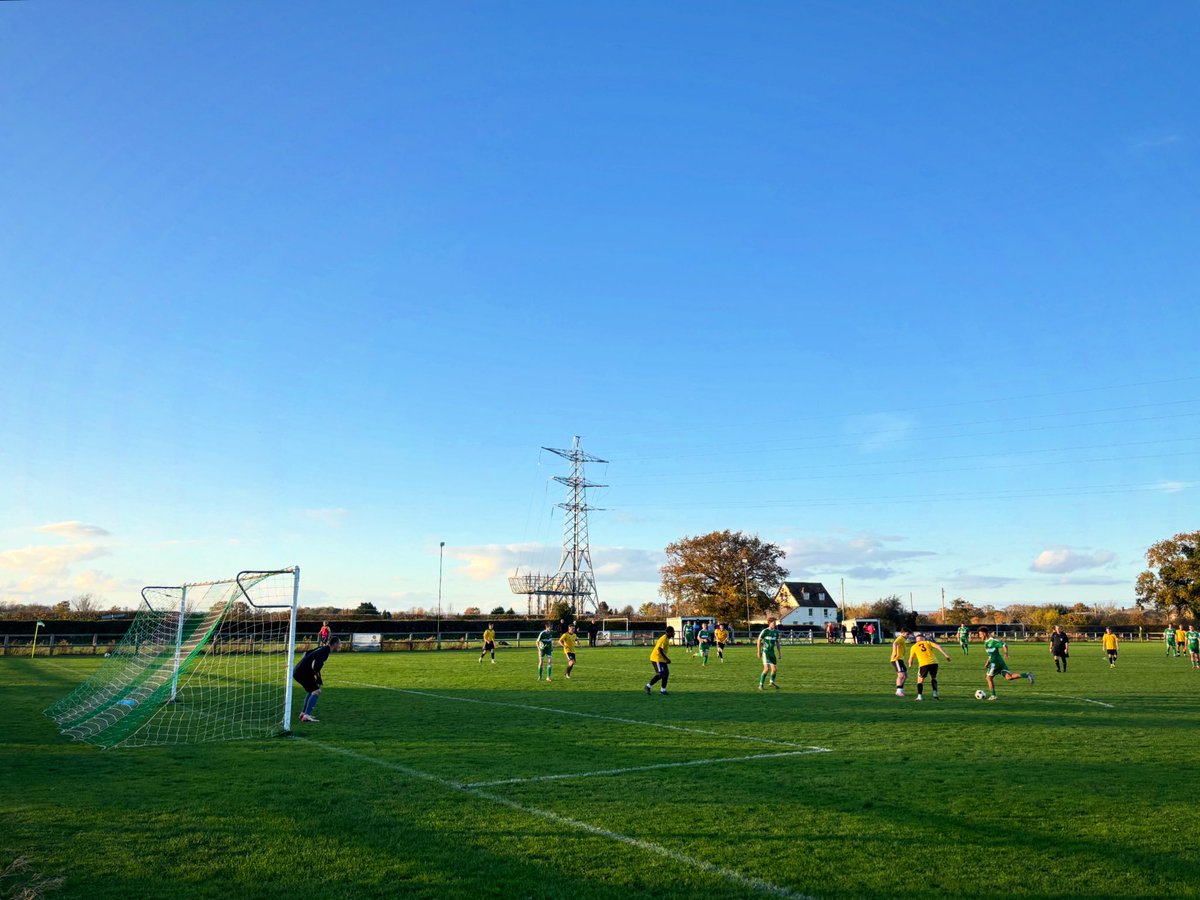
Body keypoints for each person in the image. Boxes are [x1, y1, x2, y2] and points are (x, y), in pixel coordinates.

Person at [293, 636, 341, 723]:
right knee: (316, 691)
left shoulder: (322, 648)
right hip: (302, 673)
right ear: (335, 644)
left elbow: (306, 653)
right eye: (339, 643)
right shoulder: (325, 652)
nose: (340, 645)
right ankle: (306, 716)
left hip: (299, 671)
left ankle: (303, 713)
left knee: (313, 690)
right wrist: (317, 676)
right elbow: (315, 666)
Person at [977, 628, 1033, 700]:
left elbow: (1004, 644)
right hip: (1000, 662)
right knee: (1009, 677)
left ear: (984, 633)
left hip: (995, 663)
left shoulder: (992, 641)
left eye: (980, 634)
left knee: (988, 678)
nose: (980, 636)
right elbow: (991, 654)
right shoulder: (986, 642)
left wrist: (1006, 653)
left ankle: (993, 695)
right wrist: (987, 662)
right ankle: (1027, 675)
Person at [908, 632, 951, 701]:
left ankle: (919, 696)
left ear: (916, 640)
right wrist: (946, 655)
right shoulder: (927, 642)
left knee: (920, 680)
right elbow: (938, 646)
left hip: (923, 664)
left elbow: (911, 658)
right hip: (934, 663)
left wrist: (910, 665)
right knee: (933, 677)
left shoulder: (914, 647)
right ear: (923, 639)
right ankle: (935, 694)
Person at [644, 625, 674, 695]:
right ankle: (648, 686)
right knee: (660, 674)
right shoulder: (663, 639)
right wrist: (666, 659)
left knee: (666, 674)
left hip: (661, 659)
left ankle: (663, 690)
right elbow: (659, 649)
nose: (674, 633)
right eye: (673, 632)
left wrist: (665, 659)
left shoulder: (667, 638)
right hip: (656, 658)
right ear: (669, 633)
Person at [757, 616, 781, 690]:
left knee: (774, 669)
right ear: (769, 623)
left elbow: (777, 642)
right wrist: (758, 651)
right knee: (766, 669)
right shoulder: (765, 631)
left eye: (775, 623)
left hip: (772, 653)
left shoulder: (776, 632)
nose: (774, 624)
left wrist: (780, 653)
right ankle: (761, 685)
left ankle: (771, 682)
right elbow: (758, 641)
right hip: (765, 652)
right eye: (773, 623)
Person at [890, 628, 912, 697]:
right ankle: (898, 691)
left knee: (905, 675)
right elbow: (895, 643)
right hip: (896, 659)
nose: (908, 636)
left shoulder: (903, 639)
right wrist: (895, 653)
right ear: (902, 633)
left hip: (900, 660)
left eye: (909, 634)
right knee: (901, 675)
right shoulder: (901, 638)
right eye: (907, 634)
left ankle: (900, 689)